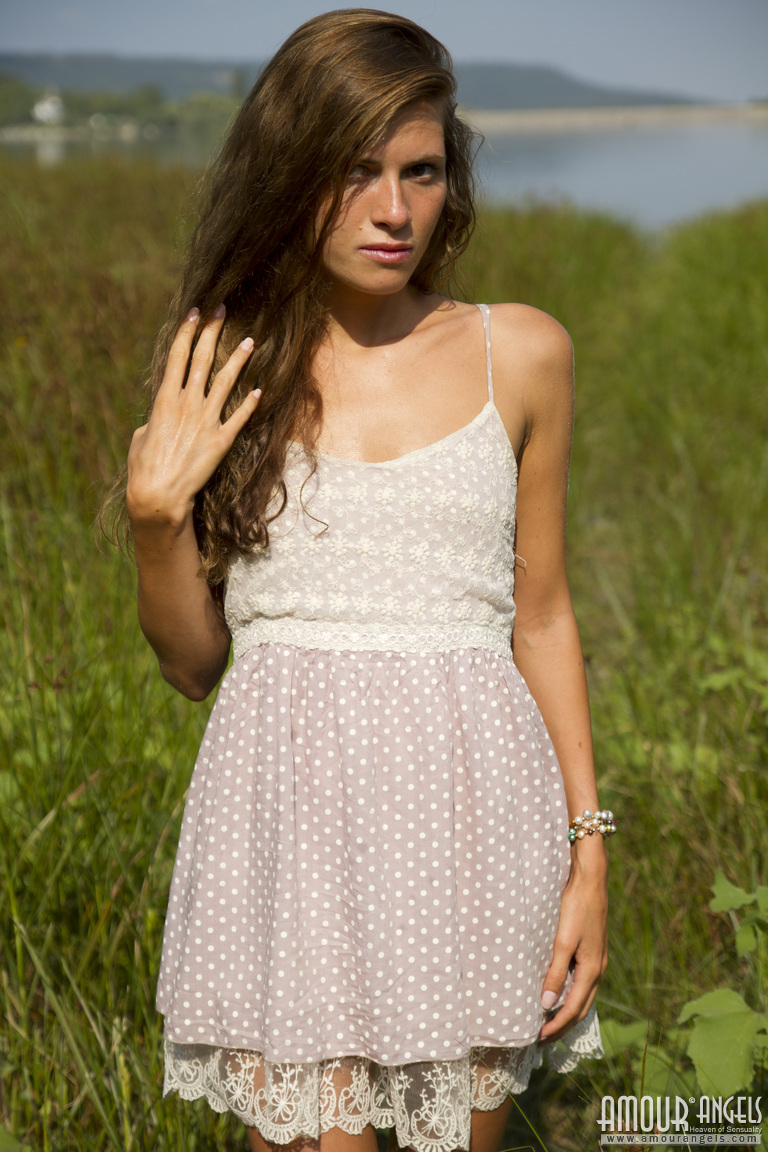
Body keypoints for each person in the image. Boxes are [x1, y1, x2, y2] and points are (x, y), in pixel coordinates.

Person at [108, 9, 610, 1152]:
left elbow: (542, 617)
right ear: (292, 173)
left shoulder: (523, 352)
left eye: (421, 171)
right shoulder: (227, 365)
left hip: (476, 828)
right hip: (287, 832)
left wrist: (589, 852)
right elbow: (191, 665)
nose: (395, 210)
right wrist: (153, 522)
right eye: (356, 171)